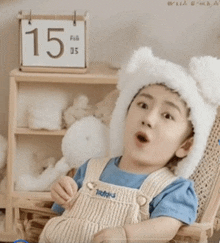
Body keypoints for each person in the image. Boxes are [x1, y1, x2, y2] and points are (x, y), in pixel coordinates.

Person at [39, 47, 220, 243]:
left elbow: (167, 227)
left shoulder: (173, 189)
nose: (148, 119)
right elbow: (63, 208)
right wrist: (62, 191)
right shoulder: (91, 168)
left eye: (167, 115)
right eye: (143, 105)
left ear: (185, 146)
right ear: (123, 117)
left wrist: (126, 235)